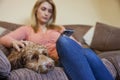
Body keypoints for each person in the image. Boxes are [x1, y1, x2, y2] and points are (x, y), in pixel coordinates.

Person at [0, 0, 114, 80]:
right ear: (36, 10)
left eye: (50, 11)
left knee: (87, 52)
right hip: (53, 59)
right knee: (63, 41)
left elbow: (77, 45)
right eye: (43, 9)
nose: (46, 13)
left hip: (72, 55)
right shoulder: (27, 29)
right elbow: (4, 38)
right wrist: (13, 42)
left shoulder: (58, 28)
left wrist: (69, 40)